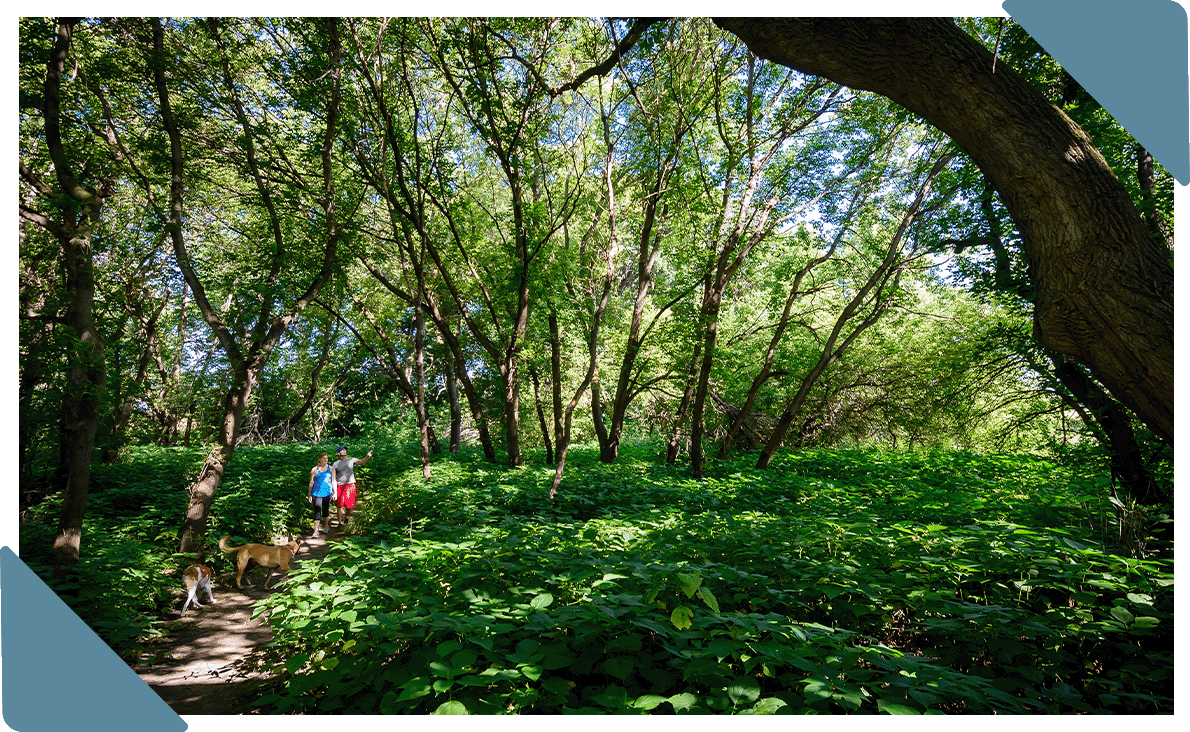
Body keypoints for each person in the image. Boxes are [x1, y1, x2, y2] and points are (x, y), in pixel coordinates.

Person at [332, 446, 372, 527]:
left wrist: (367, 457)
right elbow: (333, 477)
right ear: (339, 453)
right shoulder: (335, 464)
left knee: (349, 504)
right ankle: (340, 523)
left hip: (350, 485)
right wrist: (333, 489)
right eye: (343, 450)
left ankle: (346, 517)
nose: (345, 451)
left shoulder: (351, 460)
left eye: (345, 449)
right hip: (339, 485)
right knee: (339, 505)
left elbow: (361, 461)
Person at [308, 452, 336, 537]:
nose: (325, 460)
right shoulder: (314, 470)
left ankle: (326, 525)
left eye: (326, 458)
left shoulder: (331, 469)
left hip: (327, 493)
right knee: (317, 511)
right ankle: (316, 530)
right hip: (316, 493)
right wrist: (309, 495)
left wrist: (335, 492)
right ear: (319, 459)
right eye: (323, 458)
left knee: (325, 510)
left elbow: (334, 481)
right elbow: (311, 482)